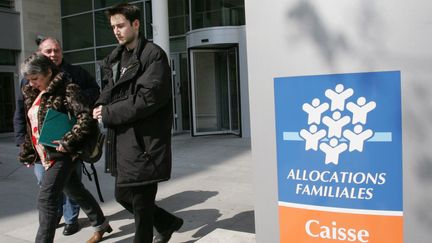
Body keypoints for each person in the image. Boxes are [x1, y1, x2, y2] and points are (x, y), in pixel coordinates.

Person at [92, 3, 183, 243]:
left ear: (136, 24)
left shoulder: (153, 56)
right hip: (123, 144)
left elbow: (146, 99)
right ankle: (168, 222)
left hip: (145, 145)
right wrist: (98, 107)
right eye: (113, 27)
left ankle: (162, 227)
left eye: (120, 25)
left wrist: (108, 112)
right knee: (123, 196)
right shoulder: (115, 59)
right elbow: (109, 92)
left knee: (141, 212)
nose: (116, 31)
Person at [18, 52, 112, 243]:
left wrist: (68, 141)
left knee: (46, 200)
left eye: (35, 78)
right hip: (45, 154)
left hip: (62, 154)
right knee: (75, 190)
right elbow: (32, 125)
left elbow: (85, 118)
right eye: (29, 80)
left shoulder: (68, 89)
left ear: (48, 72)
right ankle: (101, 223)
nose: (31, 83)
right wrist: (29, 151)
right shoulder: (34, 93)